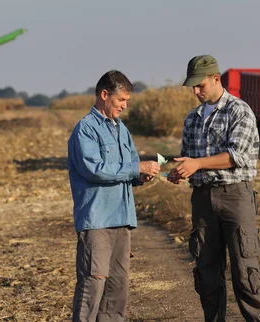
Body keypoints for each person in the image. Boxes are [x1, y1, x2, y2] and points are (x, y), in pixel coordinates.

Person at [167, 55, 260, 322]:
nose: (195, 91)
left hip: (234, 197)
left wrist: (197, 164)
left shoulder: (239, 111)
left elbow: (236, 156)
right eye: (192, 87)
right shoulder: (192, 118)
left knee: (246, 272)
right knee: (207, 274)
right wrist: (179, 171)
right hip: (202, 199)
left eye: (200, 85)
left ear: (216, 79)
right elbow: (188, 157)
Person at [67, 70, 160, 322]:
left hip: (122, 218)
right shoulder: (85, 130)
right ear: (104, 94)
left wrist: (138, 177)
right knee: (92, 287)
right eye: (121, 100)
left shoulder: (122, 130)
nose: (125, 106)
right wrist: (136, 168)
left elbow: (126, 171)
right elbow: (94, 170)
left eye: (127, 101)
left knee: (117, 290)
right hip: (97, 220)